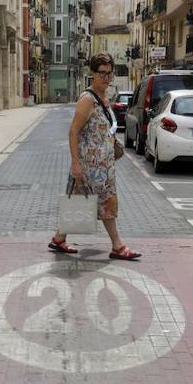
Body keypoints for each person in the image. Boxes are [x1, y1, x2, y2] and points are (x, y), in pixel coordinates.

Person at [49, 53, 141, 260]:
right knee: (107, 204)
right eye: (102, 73)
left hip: (102, 167)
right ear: (92, 74)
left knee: (80, 201)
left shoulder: (104, 99)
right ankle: (118, 246)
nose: (106, 78)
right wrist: (75, 164)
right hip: (90, 168)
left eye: (110, 74)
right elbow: (73, 132)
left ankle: (58, 238)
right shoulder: (88, 99)